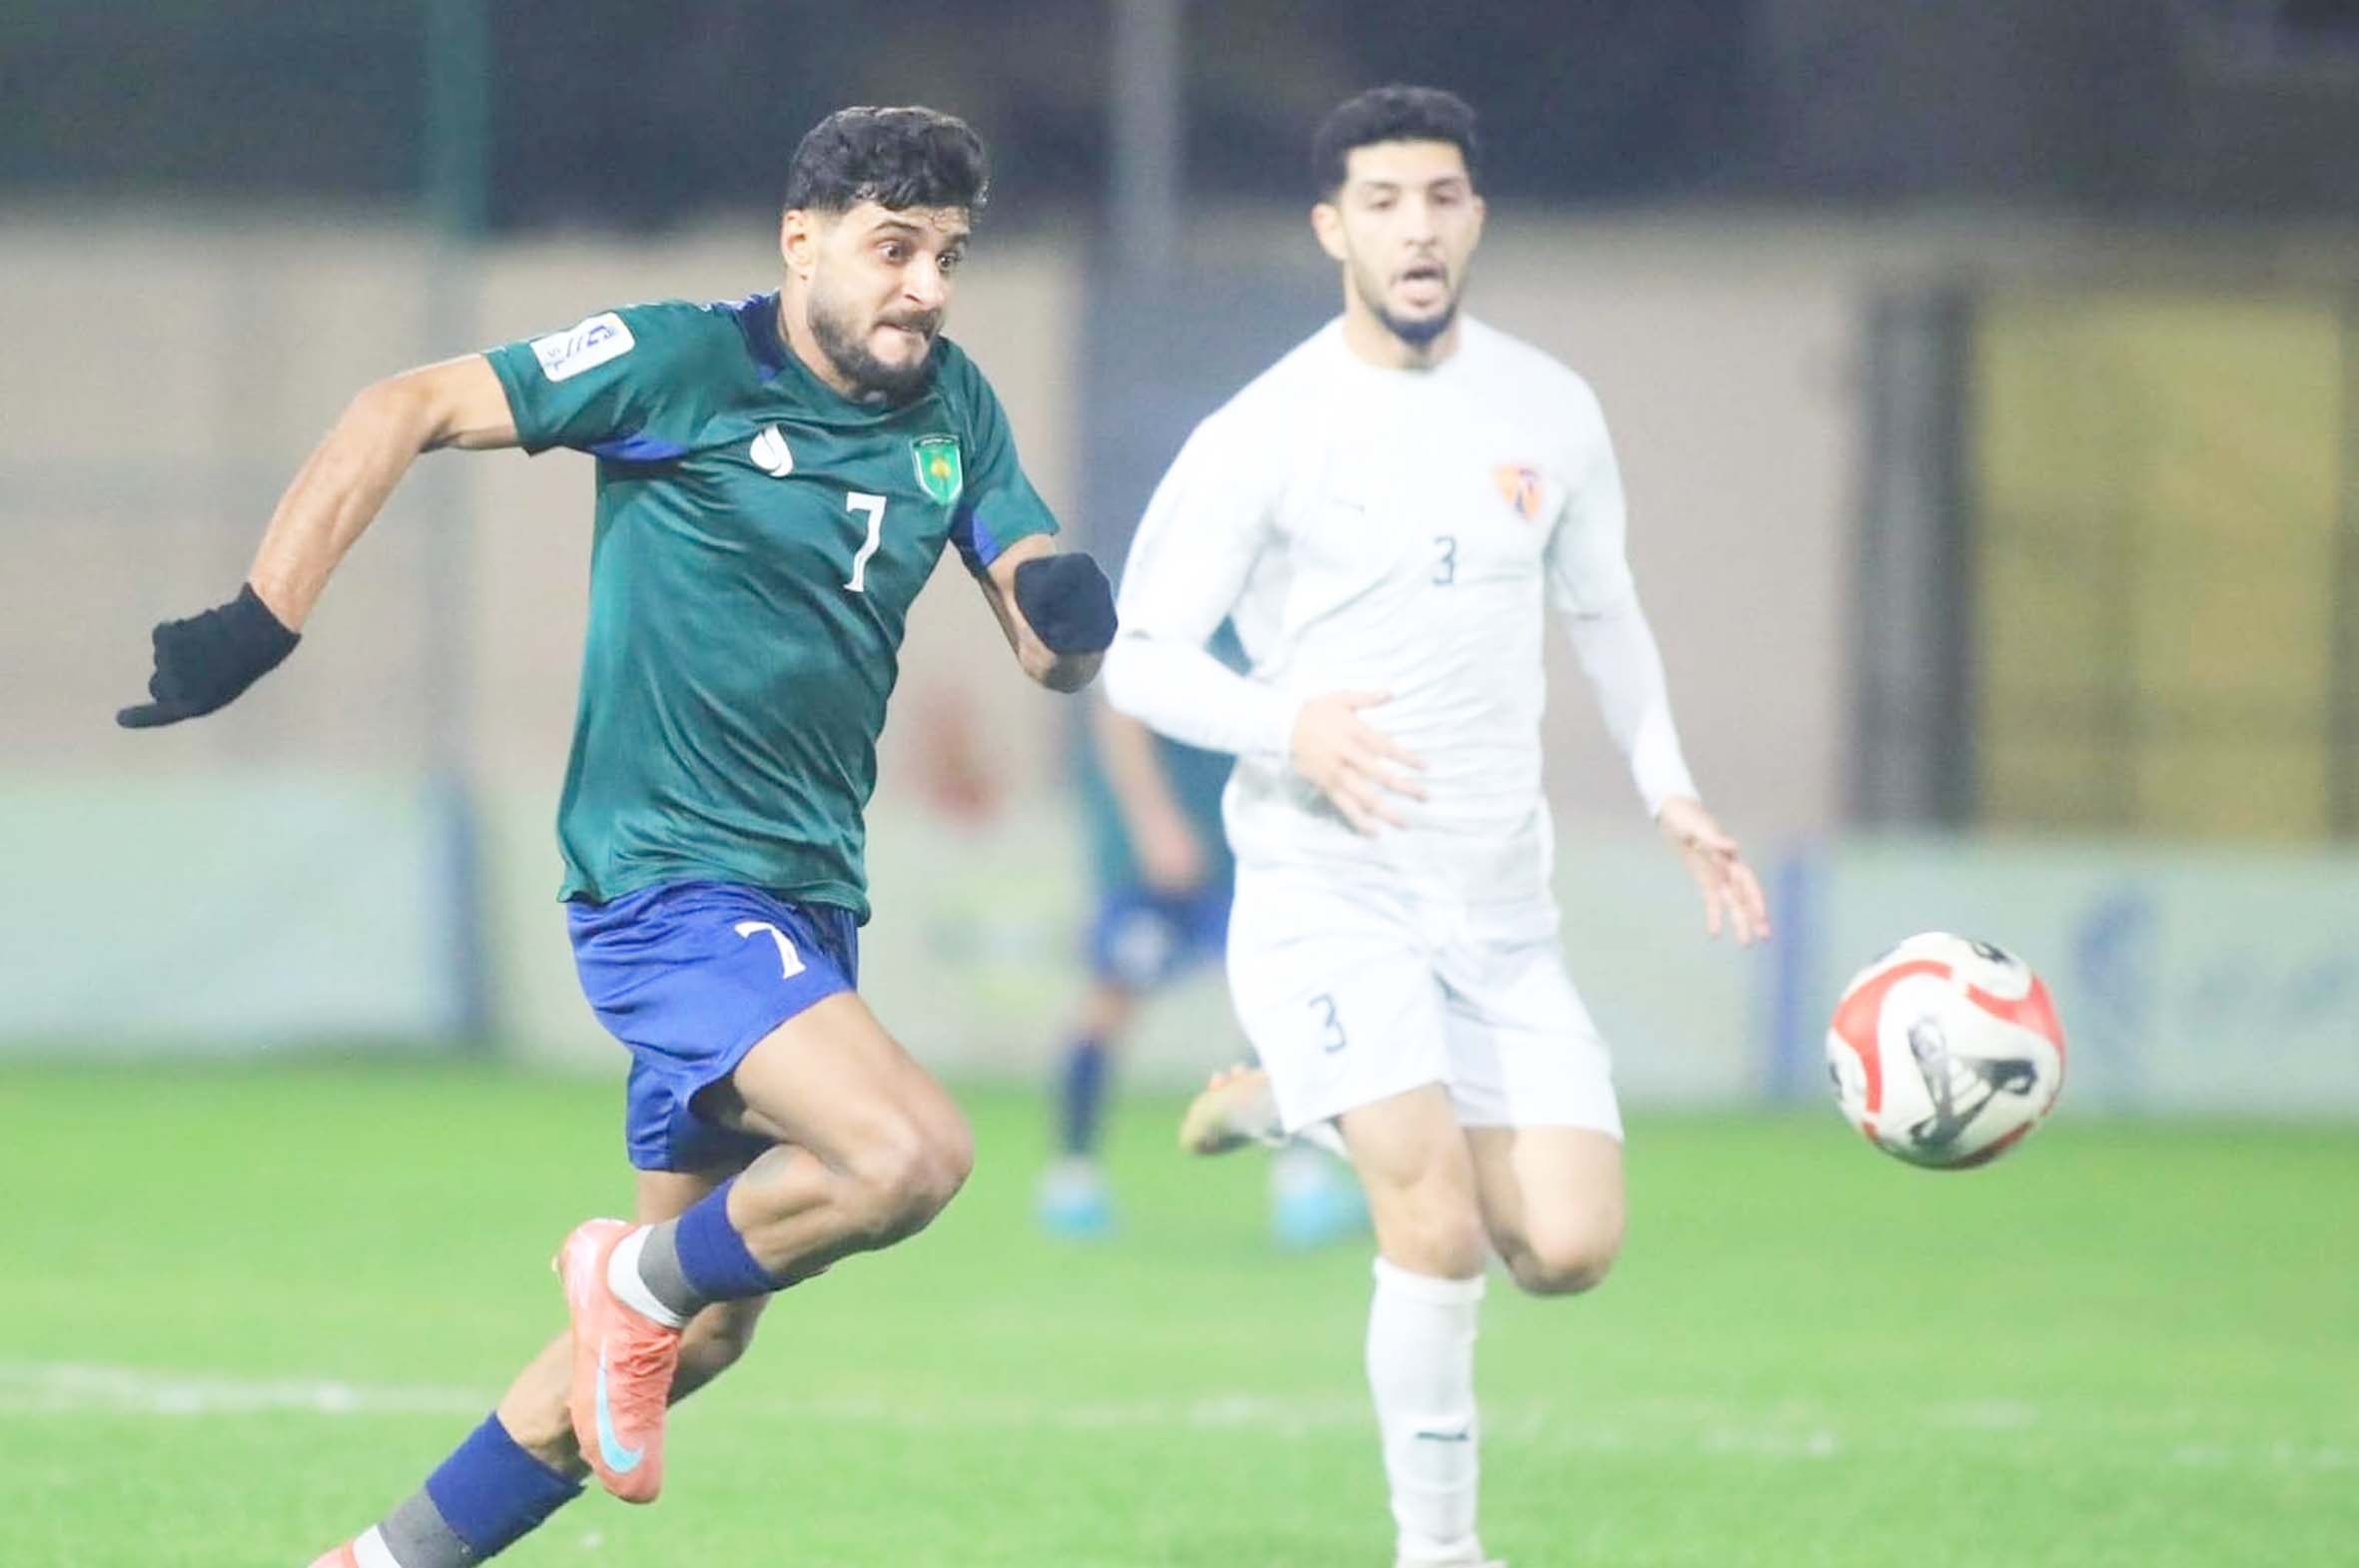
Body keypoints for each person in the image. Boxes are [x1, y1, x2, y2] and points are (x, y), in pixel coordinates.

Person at [117, 106, 1118, 1568]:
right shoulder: (682, 359)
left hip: (806, 901)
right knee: (904, 1156)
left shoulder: (953, 406)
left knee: (698, 1337)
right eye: (894, 248)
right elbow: (401, 404)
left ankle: (381, 1558)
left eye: (948, 257)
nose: (925, 287)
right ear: (801, 242)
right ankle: (628, 1276)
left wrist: (1073, 623)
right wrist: (260, 621)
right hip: (670, 888)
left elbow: (1039, 626)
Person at [1100, 86, 1770, 1568]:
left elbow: (1605, 612)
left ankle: (1297, 1095)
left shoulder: (1549, 408)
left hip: (1497, 909)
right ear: (1331, 229)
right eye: (1384, 202)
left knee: (1568, 1246)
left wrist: (1669, 785)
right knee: (1437, 1227)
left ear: (1475, 219)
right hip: (1326, 887)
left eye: (1442, 198)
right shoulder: (1266, 429)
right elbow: (1135, 656)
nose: (1417, 228)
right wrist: (1289, 724)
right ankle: (1441, 1548)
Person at [1038, 635, 1363, 1246]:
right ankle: (1072, 1177)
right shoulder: (1168, 607)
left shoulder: (1265, 618)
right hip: (1154, 859)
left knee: (1277, 1005)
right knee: (1110, 1001)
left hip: (1241, 848)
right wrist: (1155, 824)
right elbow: (1119, 713)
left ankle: (1300, 1180)